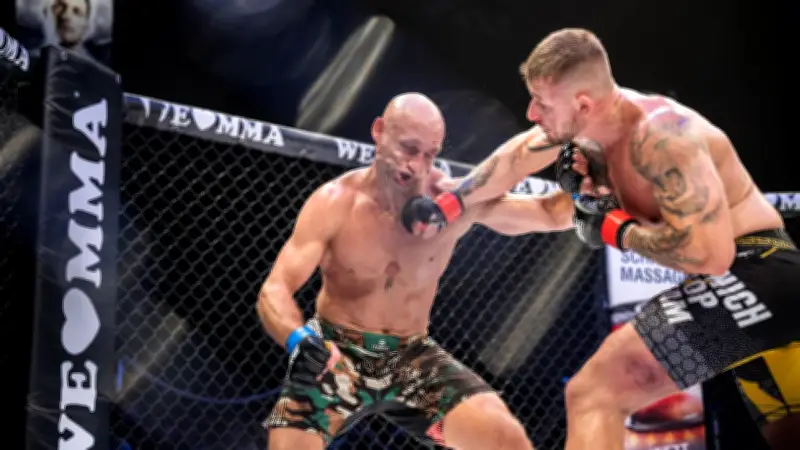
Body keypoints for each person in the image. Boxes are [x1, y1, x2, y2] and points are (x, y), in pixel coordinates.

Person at [401, 28, 800, 450]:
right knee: (789, 433)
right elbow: (533, 189)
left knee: (595, 393)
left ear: (583, 104)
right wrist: (454, 202)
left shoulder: (661, 136)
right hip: (759, 288)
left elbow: (710, 256)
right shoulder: (590, 140)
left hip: (756, 271)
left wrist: (617, 228)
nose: (532, 113)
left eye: (542, 102)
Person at [256, 92, 573, 450]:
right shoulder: (335, 203)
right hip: (336, 350)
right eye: (409, 148)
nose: (417, 166)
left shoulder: (448, 201)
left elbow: (551, 214)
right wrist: (300, 342)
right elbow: (275, 289)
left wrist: (591, 179)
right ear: (379, 131)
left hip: (410, 355)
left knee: (505, 437)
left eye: (429, 154)